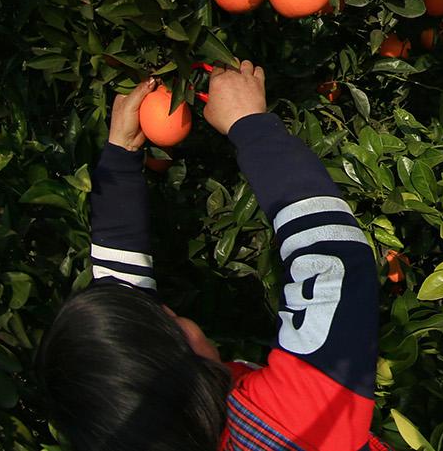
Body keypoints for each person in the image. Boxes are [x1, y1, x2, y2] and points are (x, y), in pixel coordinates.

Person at [35, 62, 382, 451]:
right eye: (163, 319)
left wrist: (122, 154)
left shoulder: (157, 429)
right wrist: (249, 123)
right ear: (175, 367)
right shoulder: (283, 429)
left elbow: (127, 323)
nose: (164, 308)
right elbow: (333, 263)